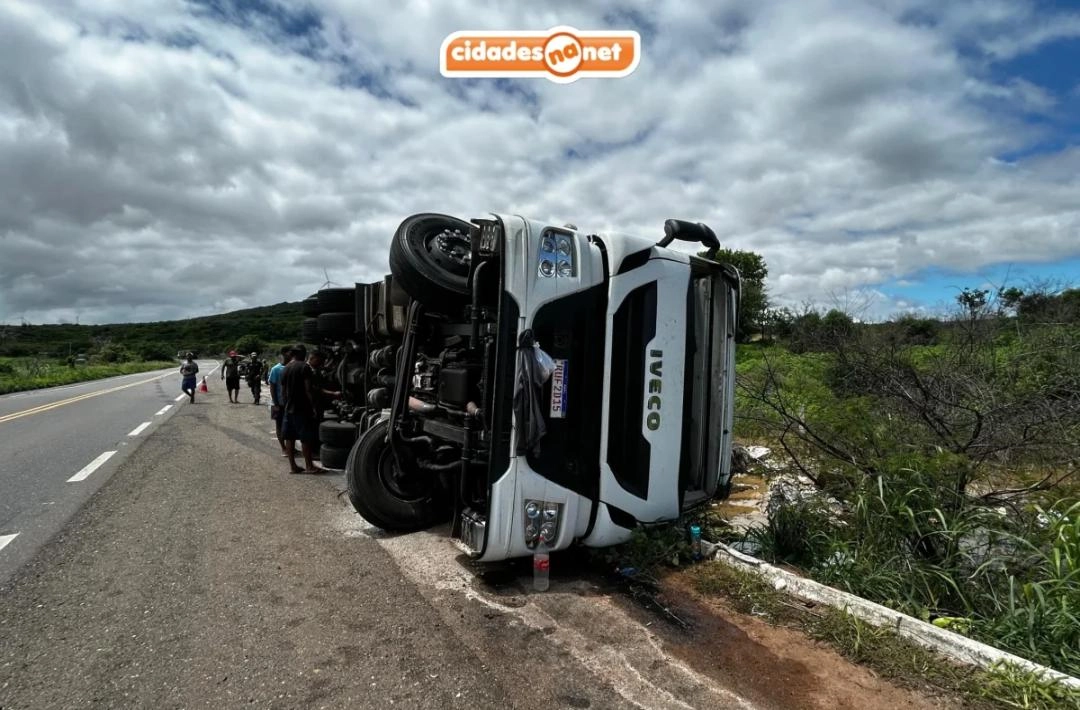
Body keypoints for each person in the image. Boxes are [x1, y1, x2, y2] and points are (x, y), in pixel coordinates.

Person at [280, 344, 325, 474]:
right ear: (303, 354)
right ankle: (309, 466)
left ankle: (293, 466)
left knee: (290, 437)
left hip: (289, 408)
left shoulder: (285, 368)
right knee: (306, 437)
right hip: (302, 408)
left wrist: (286, 405)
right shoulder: (304, 367)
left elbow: (283, 392)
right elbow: (308, 389)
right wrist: (313, 407)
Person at [267, 346, 292, 456]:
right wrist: (276, 403)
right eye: (289, 353)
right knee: (279, 425)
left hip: (290, 403)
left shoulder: (291, 367)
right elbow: (272, 387)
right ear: (283, 354)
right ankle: (283, 448)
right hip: (279, 403)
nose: (291, 356)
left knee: (290, 426)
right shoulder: (276, 369)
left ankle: (290, 447)